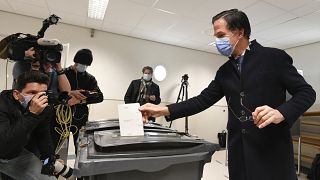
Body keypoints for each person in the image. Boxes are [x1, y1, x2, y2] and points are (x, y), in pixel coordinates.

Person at [139, 9, 316, 180]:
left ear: (240, 32)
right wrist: (162, 110)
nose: (217, 41)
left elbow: (307, 92)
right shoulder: (224, 71)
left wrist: (281, 112)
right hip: (239, 153)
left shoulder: (274, 57)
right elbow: (202, 100)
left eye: (221, 35)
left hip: (271, 151)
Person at [0, 71, 56, 180]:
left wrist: (50, 159)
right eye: (32, 92)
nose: (38, 98)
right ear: (17, 94)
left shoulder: (45, 106)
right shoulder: (2, 104)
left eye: (42, 93)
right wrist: (32, 115)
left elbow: (43, 133)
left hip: (14, 150)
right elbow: (3, 146)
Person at [59, 49, 103, 154]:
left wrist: (80, 101)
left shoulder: (90, 78)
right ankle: (59, 168)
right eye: (82, 64)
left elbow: (100, 97)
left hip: (80, 117)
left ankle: (80, 167)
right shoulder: (63, 74)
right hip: (62, 116)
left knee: (80, 147)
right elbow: (55, 93)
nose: (84, 66)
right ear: (76, 62)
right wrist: (69, 94)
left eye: (86, 65)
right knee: (59, 147)